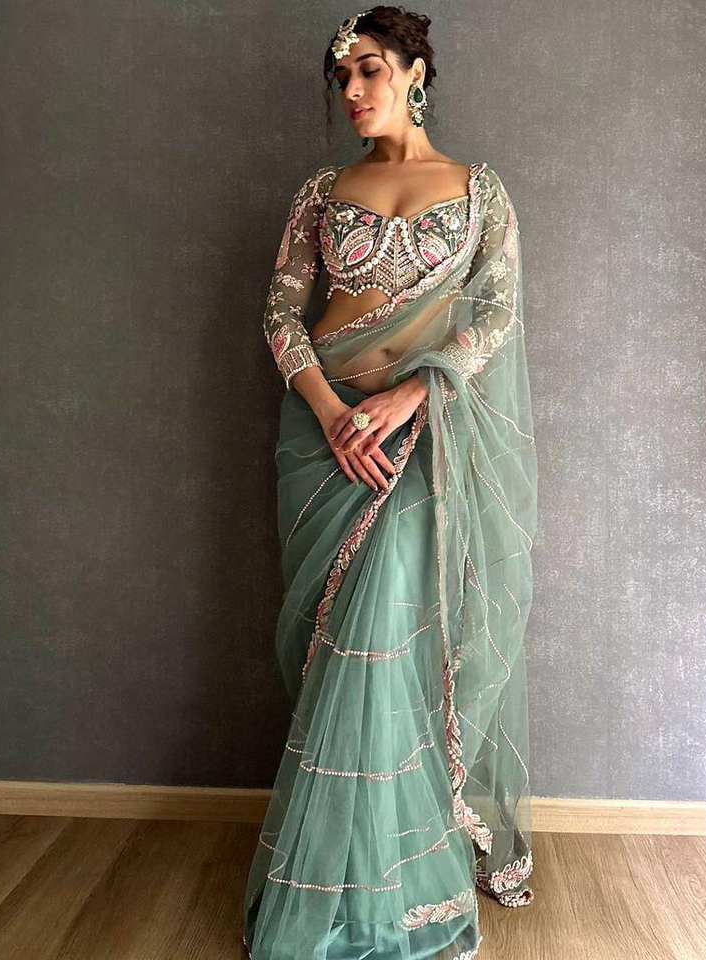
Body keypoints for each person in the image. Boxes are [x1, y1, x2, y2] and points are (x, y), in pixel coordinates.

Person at [244, 7, 537, 958]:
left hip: (421, 437)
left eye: (369, 70)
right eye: (343, 78)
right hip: (323, 442)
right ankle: (331, 882)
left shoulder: (480, 193)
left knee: (385, 643)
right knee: (333, 647)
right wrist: (334, 414)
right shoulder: (322, 193)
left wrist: (412, 394)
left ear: (415, 72)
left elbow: (494, 317)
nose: (353, 91)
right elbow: (282, 316)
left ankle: (396, 887)